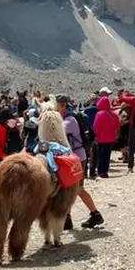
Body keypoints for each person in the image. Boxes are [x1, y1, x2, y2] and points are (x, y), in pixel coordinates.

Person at [58, 95, 105, 230]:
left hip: (77, 158)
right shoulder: (66, 118)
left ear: (62, 106)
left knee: (77, 189)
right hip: (73, 158)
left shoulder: (69, 120)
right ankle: (68, 219)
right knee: (69, 188)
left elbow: (59, 131)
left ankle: (95, 214)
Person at [93, 96, 120, 178]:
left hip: (101, 138)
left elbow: (96, 126)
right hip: (111, 138)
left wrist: (95, 136)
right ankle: (105, 171)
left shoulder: (99, 114)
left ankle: (100, 171)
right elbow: (117, 125)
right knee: (107, 155)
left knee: (101, 155)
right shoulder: (113, 114)